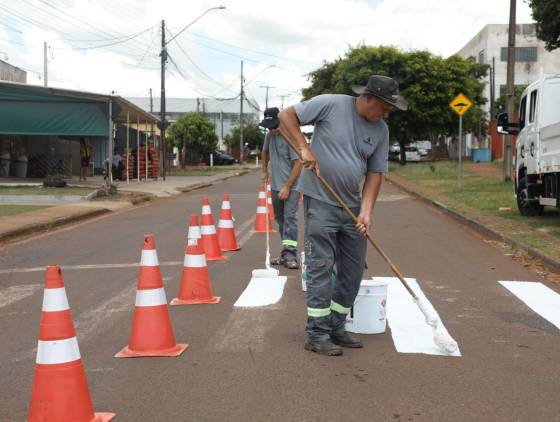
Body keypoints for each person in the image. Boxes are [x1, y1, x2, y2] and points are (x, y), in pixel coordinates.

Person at [277, 75, 407, 356]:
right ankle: (317, 333)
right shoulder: (331, 104)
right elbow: (286, 116)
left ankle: (335, 325)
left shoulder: (381, 130)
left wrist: (366, 212)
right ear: (369, 98)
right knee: (321, 265)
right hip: (320, 199)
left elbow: (375, 173)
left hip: (352, 207)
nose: (387, 114)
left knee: (354, 269)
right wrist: (304, 146)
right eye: (385, 107)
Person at [261, 112, 303, 269]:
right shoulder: (269, 136)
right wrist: (264, 170)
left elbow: (298, 164)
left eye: (273, 127)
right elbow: (265, 153)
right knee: (281, 221)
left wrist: (287, 186)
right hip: (276, 186)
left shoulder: (289, 137)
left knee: (290, 220)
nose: (271, 130)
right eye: (268, 128)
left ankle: (291, 255)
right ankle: (285, 253)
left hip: (291, 188)